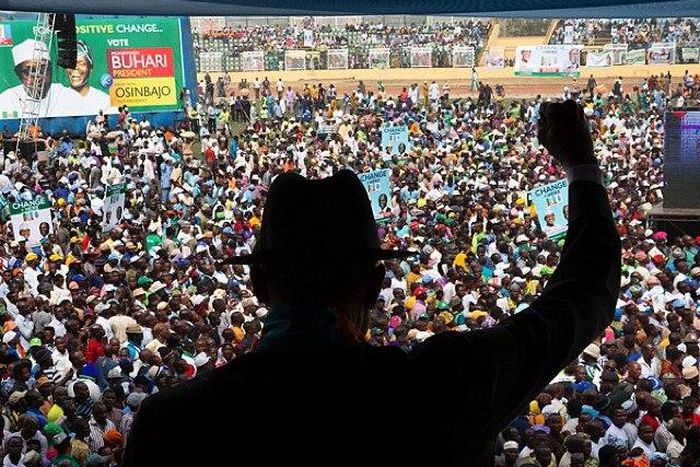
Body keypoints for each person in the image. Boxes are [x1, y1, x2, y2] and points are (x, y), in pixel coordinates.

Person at [124, 100, 621, 467]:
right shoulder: (445, 385)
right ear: (376, 284)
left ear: (256, 283)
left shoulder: (173, 424)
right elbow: (586, 291)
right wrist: (579, 162)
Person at [0, 39, 69, 118]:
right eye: (31, 71)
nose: (38, 77)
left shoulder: (65, 95)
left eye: (43, 69)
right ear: (18, 74)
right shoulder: (6, 100)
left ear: (50, 70)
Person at [60, 40, 112, 115]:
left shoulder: (104, 101)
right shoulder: (59, 99)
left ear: (90, 68)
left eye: (81, 63)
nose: (76, 68)